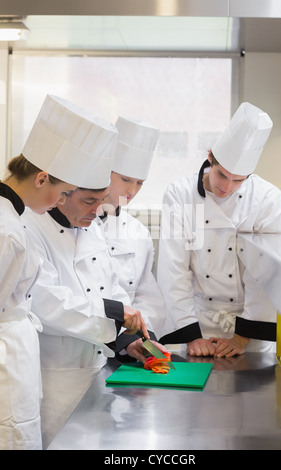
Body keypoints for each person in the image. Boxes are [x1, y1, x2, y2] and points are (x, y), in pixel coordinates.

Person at [21, 119, 155, 448]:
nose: (99, 211)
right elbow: (47, 301)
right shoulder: (29, 228)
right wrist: (115, 312)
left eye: (99, 200)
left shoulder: (89, 223)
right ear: (62, 192)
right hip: (55, 379)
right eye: (88, 201)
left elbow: (109, 284)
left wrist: (126, 340)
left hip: (99, 374)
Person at [0, 93, 114, 450]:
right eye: (63, 193)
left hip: (17, 366)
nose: (60, 203)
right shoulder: (8, 231)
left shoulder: (12, 219)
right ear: (41, 178)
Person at [157, 102, 281, 358]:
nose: (227, 187)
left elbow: (266, 271)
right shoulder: (180, 194)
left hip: (251, 326)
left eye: (238, 180)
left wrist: (243, 336)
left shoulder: (267, 199)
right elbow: (174, 268)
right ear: (210, 157)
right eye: (222, 175)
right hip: (198, 321)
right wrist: (191, 334)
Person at [96, 116, 167, 362]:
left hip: (127, 351)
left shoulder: (138, 233)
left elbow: (146, 296)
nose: (132, 191)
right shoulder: (73, 225)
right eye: (125, 179)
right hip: (84, 350)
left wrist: (138, 339)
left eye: (140, 183)